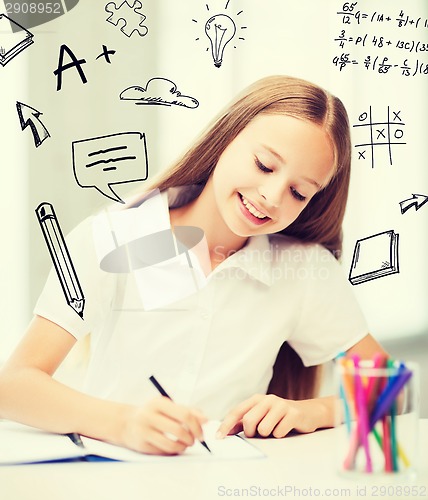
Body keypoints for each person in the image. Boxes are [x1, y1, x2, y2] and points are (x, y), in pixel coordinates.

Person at [0, 75, 387, 455]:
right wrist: (124, 423)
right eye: (265, 166)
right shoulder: (113, 237)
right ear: (226, 138)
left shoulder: (303, 270)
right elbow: (13, 386)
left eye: (299, 192)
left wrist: (313, 410)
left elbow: (390, 386)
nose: (271, 196)